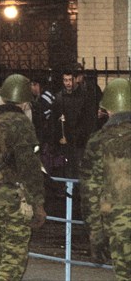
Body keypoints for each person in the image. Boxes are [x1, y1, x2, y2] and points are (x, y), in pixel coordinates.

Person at [0, 74, 46, 281]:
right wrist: (38, 202)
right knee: (14, 254)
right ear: (24, 102)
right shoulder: (21, 124)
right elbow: (29, 167)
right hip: (14, 198)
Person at [79, 78, 130, 280]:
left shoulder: (98, 141)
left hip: (119, 224)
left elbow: (91, 193)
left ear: (107, 109)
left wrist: (95, 236)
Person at [52, 69, 94, 179]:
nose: (67, 83)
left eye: (70, 80)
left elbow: (88, 121)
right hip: (65, 142)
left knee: (80, 171)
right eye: (65, 80)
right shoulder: (59, 97)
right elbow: (53, 120)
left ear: (75, 80)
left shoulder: (85, 97)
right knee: (67, 172)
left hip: (80, 141)